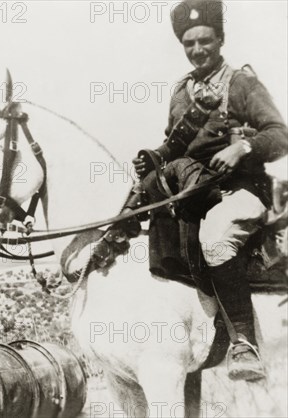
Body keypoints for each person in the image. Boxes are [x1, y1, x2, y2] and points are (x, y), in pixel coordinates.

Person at [130, 0, 288, 381]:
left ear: (220, 39)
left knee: (215, 237)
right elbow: (175, 144)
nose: (197, 50)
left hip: (242, 190)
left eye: (205, 41)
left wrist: (242, 147)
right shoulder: (182, 91)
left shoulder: (242, 83)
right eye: (189, 43)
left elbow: (279, 134)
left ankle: (244, 344)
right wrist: (153, 157)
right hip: (195, 188)